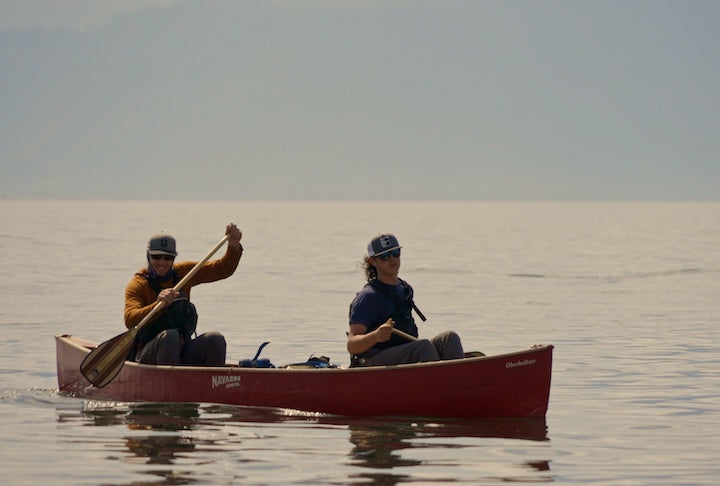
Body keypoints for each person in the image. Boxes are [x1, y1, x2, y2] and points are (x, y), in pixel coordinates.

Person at [124, 223, 243, 366]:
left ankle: (212, 385)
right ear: (148, 257)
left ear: (174, 258)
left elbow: (222, 269)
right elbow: (130, 320)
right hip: (147, 354)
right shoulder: (138, 284)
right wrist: (158, 305)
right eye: (157, 257)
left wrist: (234, 246)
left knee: (215, 339)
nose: (162, 262)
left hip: (181, 349)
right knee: (170, 336)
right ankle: (167, 384)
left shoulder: (184, 273)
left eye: (168, 258)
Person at [347, 233, 465, 367]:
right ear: (372, 261)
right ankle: (438, 383)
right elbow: (352, 345)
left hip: (405, 354)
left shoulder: (404, 288)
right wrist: (375, 336)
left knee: (450, 338)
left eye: (395, 253)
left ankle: (461, 380)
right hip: (372, 361)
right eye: (385, 256)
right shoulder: (368, 297)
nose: (392, 259)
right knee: (423, 347)